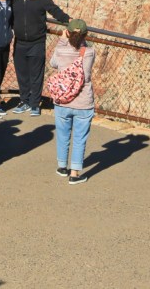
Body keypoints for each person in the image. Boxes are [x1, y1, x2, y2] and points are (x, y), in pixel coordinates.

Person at [11, 0, 70, 117]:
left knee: (36, 75)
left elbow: (54, 10)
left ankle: (35, 104)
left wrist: (68, 20)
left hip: (37, 42)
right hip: (19, 42)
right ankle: (24, 101)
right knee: (22, 74)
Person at [50, 19, 96, 185]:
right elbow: (87, 70)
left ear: (67, 32)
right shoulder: (90, 52)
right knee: (79, 138)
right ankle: (75, 174)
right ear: (85, 35)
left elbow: (53, 63)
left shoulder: (61, 50)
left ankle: (62, 167)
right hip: (83, 102)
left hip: (63, 100)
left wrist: (63, 40)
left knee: (63, 134)